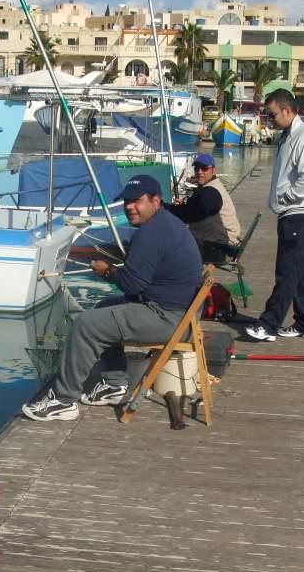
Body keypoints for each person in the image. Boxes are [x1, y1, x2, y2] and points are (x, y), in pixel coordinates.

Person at [21, 174, 203, 421]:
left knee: (86, 324)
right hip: (184, 316)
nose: (129, 206)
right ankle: (114, 385)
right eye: (127, 201)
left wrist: (106, 271)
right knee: (103, 307)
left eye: (136, 200)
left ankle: (63, 400)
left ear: (156, 201)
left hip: (171, 320)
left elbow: (131, 286)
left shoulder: (150, 234)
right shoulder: (165, 224)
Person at [244, 88, 304, 342]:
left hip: (298, 211)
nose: (270, 120)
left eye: (273, 114)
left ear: (287, 111)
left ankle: (268, 325)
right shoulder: (289, 135)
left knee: (287, 270)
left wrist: (287, 198)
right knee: (300, 269)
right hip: (291, 212)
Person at [168, 153, 242, 263]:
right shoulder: (211, 187)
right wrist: (184, 207)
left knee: (168, 247)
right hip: (219, 242)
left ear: (214, 170)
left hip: (220, 248)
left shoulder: (211, 192)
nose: (199, 172)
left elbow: (192, 215)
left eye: (204, 168)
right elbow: (196, 211)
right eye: (197, 168)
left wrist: (163, 208)